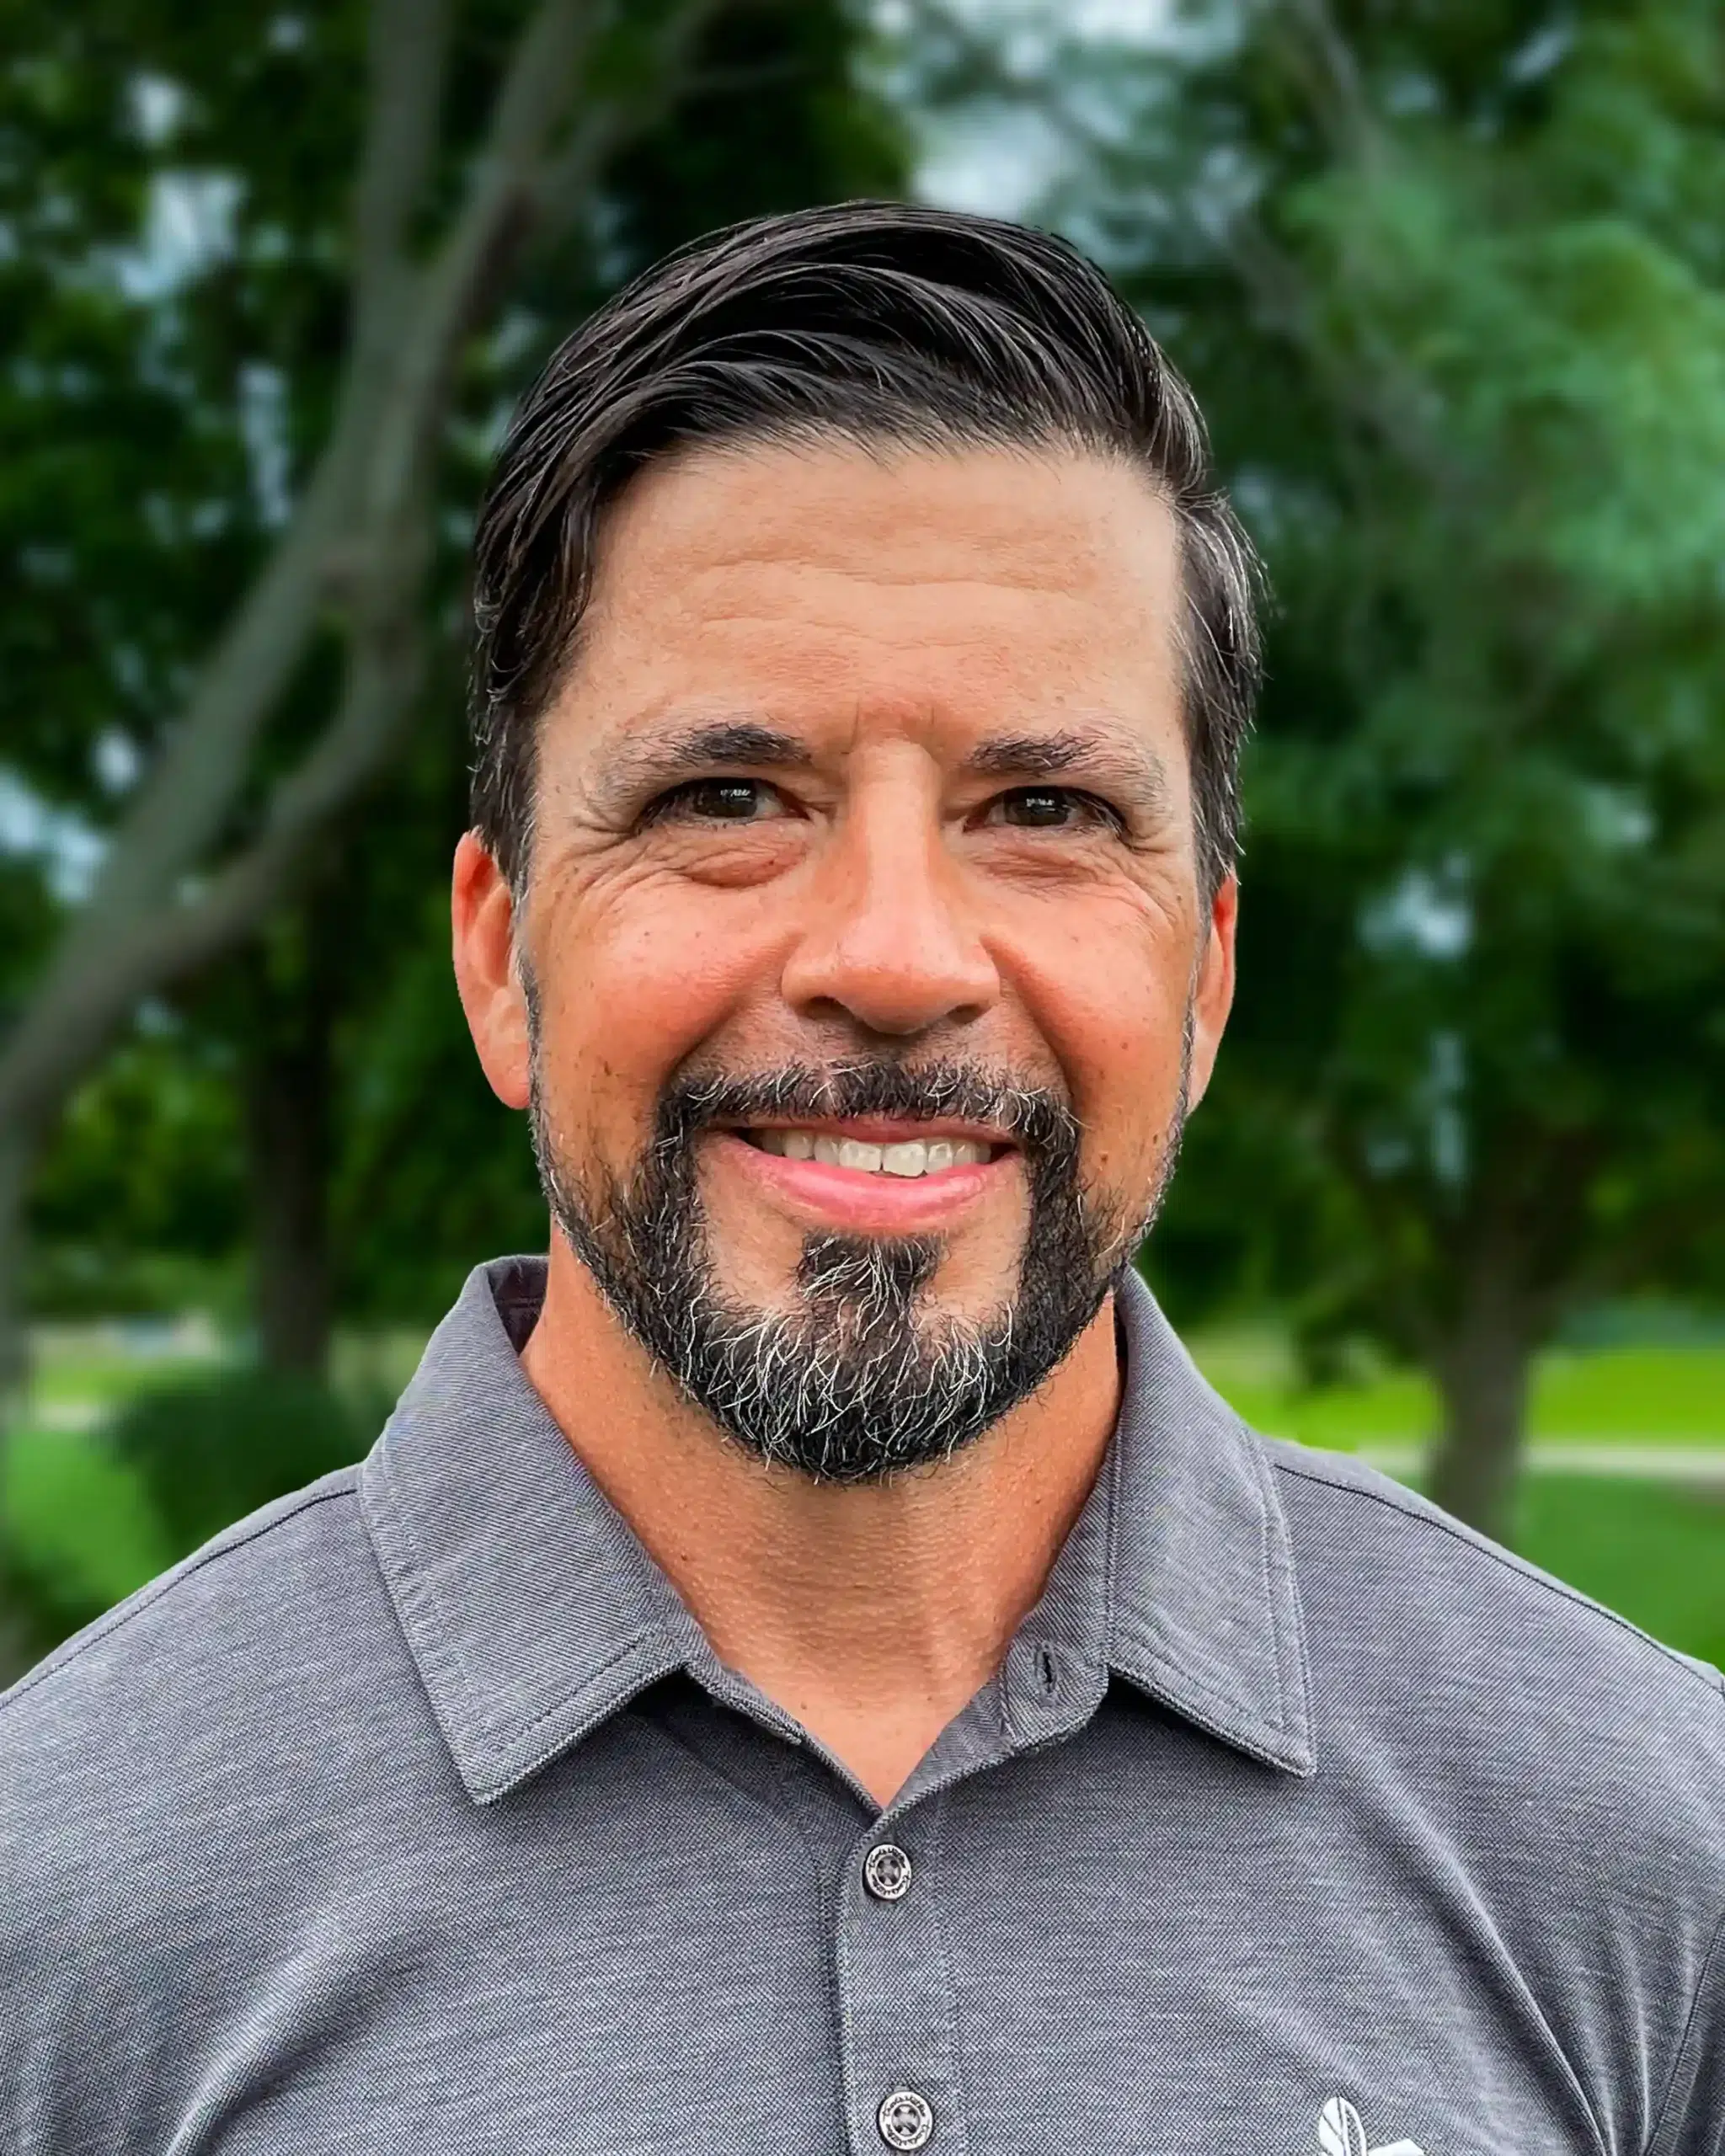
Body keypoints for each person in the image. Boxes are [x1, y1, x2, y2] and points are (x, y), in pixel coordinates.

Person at [2, 201, 1720, 2156]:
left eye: (1044, 809)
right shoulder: (58, 1902)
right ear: (501, 961)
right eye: (727, 798)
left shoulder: (1646, 1843)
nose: (897, 954)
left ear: (1205, 982)